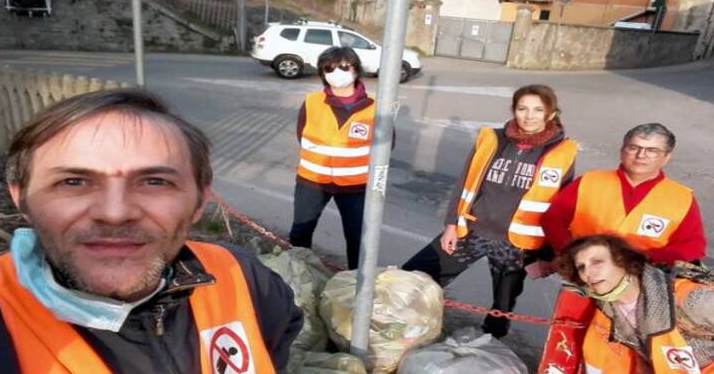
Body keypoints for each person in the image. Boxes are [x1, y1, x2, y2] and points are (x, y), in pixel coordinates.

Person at [0, 89, 303, 374]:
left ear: (201, 199)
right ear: (22, 197)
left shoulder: (240, 275)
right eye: (73, 182)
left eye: (154, 182)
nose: (115, 214)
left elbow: (283, 332)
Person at [403, 84, 577, 338]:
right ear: (514, 110)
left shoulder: (562, 152)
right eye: (522, 108)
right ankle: (403, 328)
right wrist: (452, 224)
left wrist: (547, 253)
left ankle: (489, 351)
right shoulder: (492, 139)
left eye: (538, 110)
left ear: (550, 114)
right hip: (471, 231)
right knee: (413, 277)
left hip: (516, 244)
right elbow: (464, 183)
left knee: (502, 308)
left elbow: (560, 206)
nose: (529, 116)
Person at [555, 234, 713, 374]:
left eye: (597, 262)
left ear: (623, 261)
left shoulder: (690, 300)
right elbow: (611, 371)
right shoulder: (608, 317)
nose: (588, 273)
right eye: (581, 267)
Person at [541, 123, 706, 265]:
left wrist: (646, 259)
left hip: (645, 280)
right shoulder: (589, 181)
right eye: (634, 147)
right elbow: (553, 219)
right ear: (622, 150)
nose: (641, 155)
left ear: (666, 157)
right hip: (584, 274)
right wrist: (573, 253)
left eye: (652, 150)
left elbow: (692, 246)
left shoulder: (681, 198)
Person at [290, 46, 381, 270]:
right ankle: (299, 277)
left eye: (343, 67)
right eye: (329, 68)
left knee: (358, 239)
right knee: (300, 232)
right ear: (323, 73)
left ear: (356, 69)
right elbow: (302, 135)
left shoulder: (375, 108)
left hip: (355, 187)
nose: (336, 73)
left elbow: (387, 146)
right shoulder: (312, 101)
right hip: (312, 181)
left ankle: (355, 286)